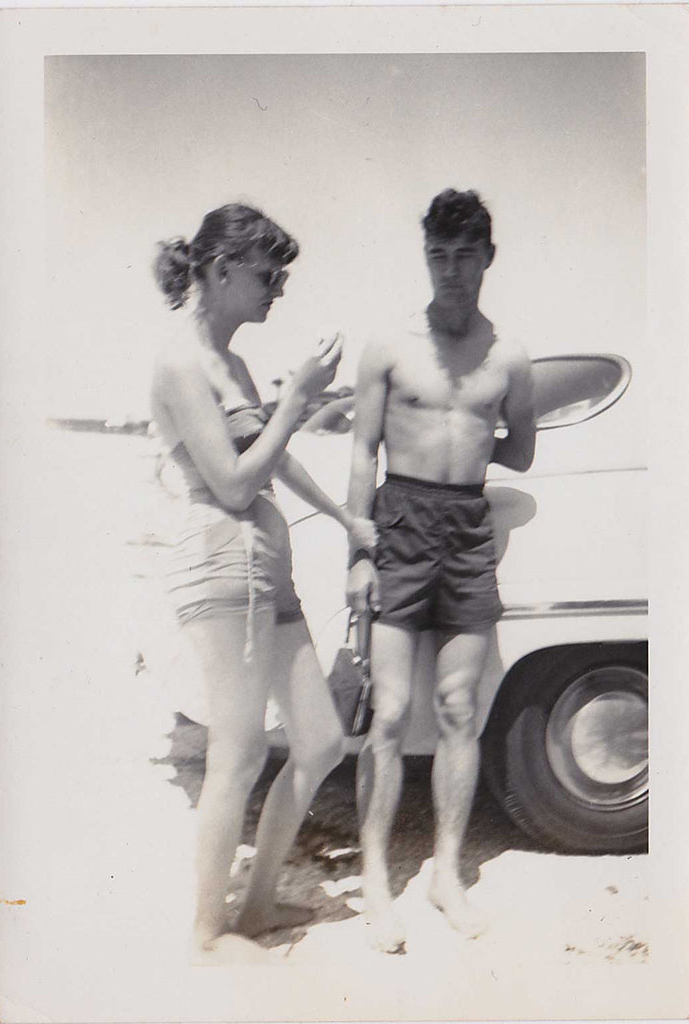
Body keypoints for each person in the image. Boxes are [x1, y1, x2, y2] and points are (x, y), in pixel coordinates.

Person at [150, 202, 373, 959]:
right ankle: (208, 933)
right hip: (219, 567)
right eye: (267, 274)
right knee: (238, 756)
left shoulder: (233, 364)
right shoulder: (179, 361)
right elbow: (237, 484)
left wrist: (345, 517)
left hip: (263, 571)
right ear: (220, 269)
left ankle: (253, 907)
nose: (278, 288)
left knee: (319, 739)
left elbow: (273, 456)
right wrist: (300, 399)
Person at [346, 188, 536, 953]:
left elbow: (520, 447)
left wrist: (468, 444)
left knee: (459, 707)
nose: (450, 271)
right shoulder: (390, 346)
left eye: (464, 256)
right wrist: (360, 552)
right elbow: (361, 449)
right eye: (438, 255)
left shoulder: (510, 357)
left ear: (487, 258)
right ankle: (372, 878)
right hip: (399, 524)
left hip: (464, 527)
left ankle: (445, 874)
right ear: (426, 257)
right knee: (389, 714)